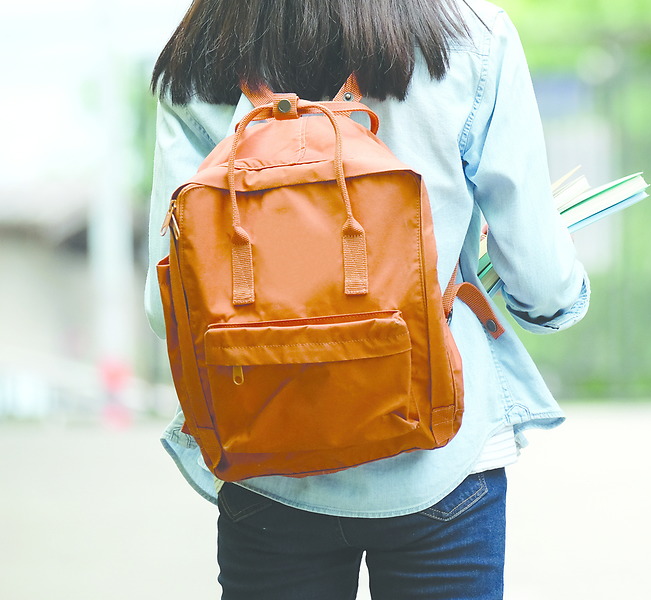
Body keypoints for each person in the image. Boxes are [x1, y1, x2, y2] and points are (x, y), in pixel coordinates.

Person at [143, 1, 589, 598]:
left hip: (265, 458)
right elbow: (540, 279)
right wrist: (558, 304)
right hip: (442, 457)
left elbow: (164, 304)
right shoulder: (470, 36)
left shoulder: (204, 48)